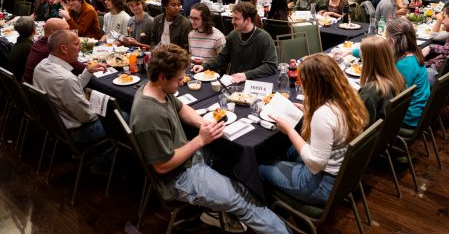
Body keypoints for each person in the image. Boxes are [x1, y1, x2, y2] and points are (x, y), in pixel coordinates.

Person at [129, 44, 288, 233]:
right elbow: (163, 165)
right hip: (179, 178)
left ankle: (220, 210)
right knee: (244, 200)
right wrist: (200, 140)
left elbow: (181, 108)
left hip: (189, 160)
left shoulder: (158, 89)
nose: (182, 82)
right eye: (179, 79)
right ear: (162, 77)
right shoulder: (149, 114)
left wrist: (202, 124)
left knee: (237, 164)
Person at [259, 53, 368, 206]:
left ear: (314, 84)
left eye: (302, 81)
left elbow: (315, 164)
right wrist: (309, 112)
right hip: (343, 174)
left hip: (322, 184)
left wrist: (290, 130)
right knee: (283, 151)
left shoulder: (323, 114)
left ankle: (275, 210)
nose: (300, 85)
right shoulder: (348, 99)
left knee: (258, 168)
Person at [33, 30, 107, 147]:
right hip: (76, 134)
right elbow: (86, 116)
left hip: (54, 127)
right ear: (64, 49)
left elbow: (71, 88)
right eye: (77, 44)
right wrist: (104, 111)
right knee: (124, 115)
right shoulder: (65, 79)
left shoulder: (41, 65)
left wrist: (87, 71)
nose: (80, 47)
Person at [192, 2, 277, 83]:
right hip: (233, 81)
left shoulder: (264, 38)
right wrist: (204, 66)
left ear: (247, 20)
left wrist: (246, 75)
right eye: (232, 17)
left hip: (254, 83)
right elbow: (222, 58)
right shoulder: (233, 35)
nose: (232, 21)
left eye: (236, 18)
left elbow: (271, 66)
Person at [385, 18, 431, 129]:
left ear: (391, 41)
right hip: (418, 110)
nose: (385, 41)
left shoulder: (404, 64)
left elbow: (394, 95)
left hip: (409, 117)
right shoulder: (414, 53)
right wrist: (354, 51)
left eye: (386, 37)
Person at [357, 36, 406, 124]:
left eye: (361, 57)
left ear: (368, 61)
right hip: (391, 130)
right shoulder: (399, 78)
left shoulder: (370, 92)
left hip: (372, 136)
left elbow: (361, 126)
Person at [23, 18, 85, 84]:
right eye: (66, 30)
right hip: (35, 90)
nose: (69, 32)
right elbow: (81, 69)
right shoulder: (53, 50)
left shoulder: (39, 42)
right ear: (53, 33)